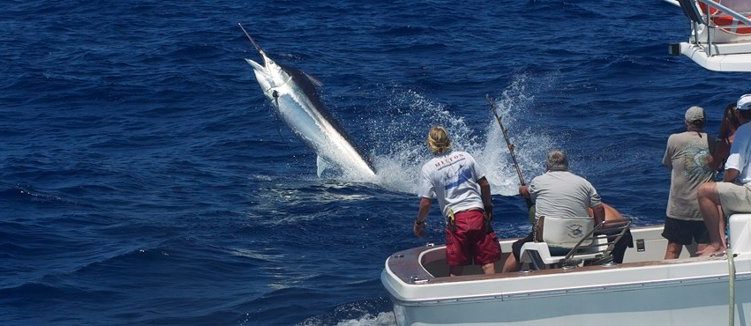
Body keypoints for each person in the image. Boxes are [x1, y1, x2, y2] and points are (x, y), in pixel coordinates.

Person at [413, 126, 501, 276]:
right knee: (487, 264)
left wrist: (419, 223)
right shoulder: (465, 156)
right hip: (478, 216)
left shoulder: (428, 168)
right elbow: (485, 184)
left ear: (430, 144)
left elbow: (426, 203)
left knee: (456, 268)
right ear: (448, 140)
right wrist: (488, 207)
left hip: (457, 222)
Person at [502, 149, 605, 272]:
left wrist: (521, 189)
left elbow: (526, 192)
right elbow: (598, 207)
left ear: (547, 165)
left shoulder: (538, 181)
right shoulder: (585, 183)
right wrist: (599, 226)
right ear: (567, 164)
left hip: (548, 241)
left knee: (517, 247)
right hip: (581, 240)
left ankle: (503, 281)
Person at [661, 106, 718, 259]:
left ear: (686, 122)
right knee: (703, 249)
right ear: (704, 122)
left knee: (673, 248)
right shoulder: (712, 141)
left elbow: (668, 164)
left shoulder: (674, 139)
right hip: (704, 208)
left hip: (679, 207)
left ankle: (668, 279)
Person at [697, 94, 751, 256]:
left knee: (705, 192)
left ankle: (717, 244)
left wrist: (727, 182)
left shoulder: (744, 130)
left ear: (739, 115)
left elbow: (733, 169)